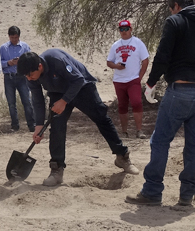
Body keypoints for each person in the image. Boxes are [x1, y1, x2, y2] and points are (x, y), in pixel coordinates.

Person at [125, 0, 195, 209]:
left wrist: (151, 83)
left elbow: (163, 56)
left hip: (180, 90)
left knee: (160, 140)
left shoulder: (175, 21)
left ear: (176, 6)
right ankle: (186, 196)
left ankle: (152, 191)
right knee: (194, 145)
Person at [16, 49, 140, 186]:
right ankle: (57, 170)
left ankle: (122, 157)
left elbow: (78, 79)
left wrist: (64, 102)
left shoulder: (56, 61)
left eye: (30, 75)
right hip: (57, 92)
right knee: (57, 127)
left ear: (40, 66)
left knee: (101, 118)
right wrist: (38, 125)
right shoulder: (31, 76)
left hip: (82, 87)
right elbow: (37, 100)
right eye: (26, 76)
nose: (29, 78)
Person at [106, 20, 150, 139]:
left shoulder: (138, 43)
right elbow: (109, 62)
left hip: (133, 79)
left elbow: (145, 61)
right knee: (122, 105)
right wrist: (117, 66)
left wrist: (139, 77)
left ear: (130, 29)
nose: (124, 32)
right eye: (121, 29)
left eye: (126, 29)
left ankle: (139, 130)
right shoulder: (115, 45)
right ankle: (124, 132)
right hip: (119, 80)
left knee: (136, 103)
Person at [0, 26, 35, 132]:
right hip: (8, 77)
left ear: (19, 36)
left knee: (27, 101)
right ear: (9, 36)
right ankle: (15, 125)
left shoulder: (25, 47)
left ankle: (31, 124)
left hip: (22, 77)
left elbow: (31, 61)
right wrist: (8, 63)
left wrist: (21, 62)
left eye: (16, 37)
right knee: (11, 103)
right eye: (12, 37)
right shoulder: (3, 48)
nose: (14, 39)